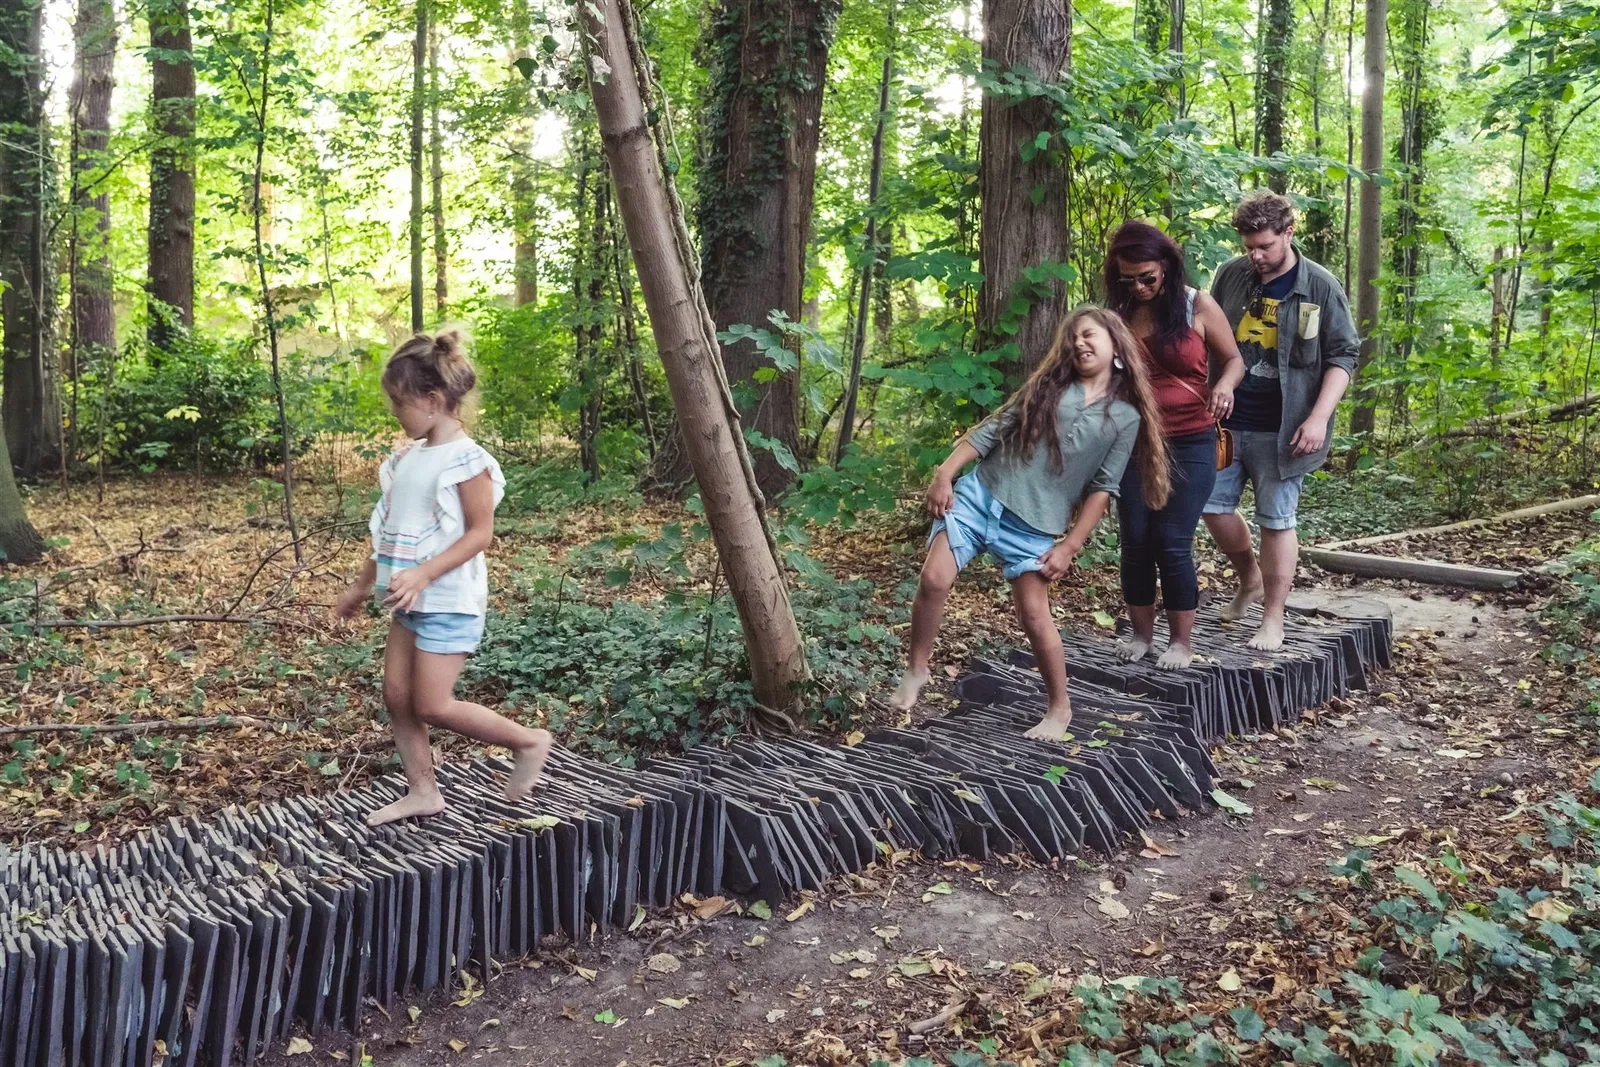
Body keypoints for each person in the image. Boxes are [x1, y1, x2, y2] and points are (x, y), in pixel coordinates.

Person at [888, 307, 1171, 740]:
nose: (1079, 342)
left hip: (1034, 527)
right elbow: (989, 431)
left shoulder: (1126, 418)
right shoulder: (1047, 387)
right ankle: (917, 668)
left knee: (1035, 617)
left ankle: (1060, 710)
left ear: (1116, 344)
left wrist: (1070, 546)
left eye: (1089, 335)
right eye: (1073, 337)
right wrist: (944, 473)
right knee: (934, 580)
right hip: (982, 495)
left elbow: (1103, 488)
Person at [335, 331, 552, 826]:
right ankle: (423, 790)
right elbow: (387, 534)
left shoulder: (466, 461)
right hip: (408, 601)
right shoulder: (405, 460)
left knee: (432, 704)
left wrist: (425, 573)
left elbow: (480, 535)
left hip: (449, 599)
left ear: (432, 401)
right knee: (397, 694)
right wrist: (362, 583)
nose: (395, 412)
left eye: (399, 402)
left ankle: (529, 740)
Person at [1201, 191, 1359, 650]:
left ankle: (1273, 618)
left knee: (1276, 519)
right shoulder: (1232, 275)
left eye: (1265, 246)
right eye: (1249, 245)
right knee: (1211, 507)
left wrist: (1318, 417)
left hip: (1286, 427)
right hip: (1226, 422)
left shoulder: (1321, 287)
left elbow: (1343, 356)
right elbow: (1207, 334)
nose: (1256, 255)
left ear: (1289, 233)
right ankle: (1249, 578)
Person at [1104, 221, 1247, 670]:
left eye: (1147, 277)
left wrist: (1224, 386)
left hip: (1191, 439)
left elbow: (1235, 360)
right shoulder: (1118, 314)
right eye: (1129, 280)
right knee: (1136, 540)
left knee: (1171, 539)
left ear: (1166, 267)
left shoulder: (1196, 304)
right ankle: (1142, 636)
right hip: (1134, 443)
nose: (1140, 286)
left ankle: (1181, 642)